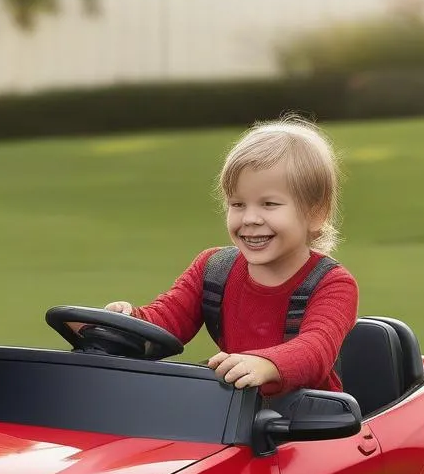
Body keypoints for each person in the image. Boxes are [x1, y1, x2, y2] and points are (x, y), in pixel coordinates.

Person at [105, 115, 359, 398]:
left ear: (316, 214)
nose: (250, 218)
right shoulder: (213, 269)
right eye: (237, 204)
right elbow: (166, 320)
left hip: (309, 425)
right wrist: (126, 321)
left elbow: (315, 351)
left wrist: (266, 364)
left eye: (269, 204)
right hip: (231, 414)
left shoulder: (333, 285)